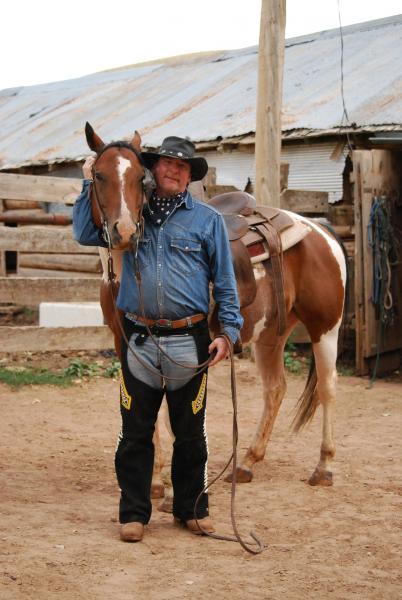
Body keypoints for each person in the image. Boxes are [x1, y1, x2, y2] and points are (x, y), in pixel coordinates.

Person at [73, 135, 243, 543]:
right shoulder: (128, 213)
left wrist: (229, 332)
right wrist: (87, 181)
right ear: (154, 168)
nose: (174, 170)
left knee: (191, 433)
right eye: (167, 163)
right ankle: (134, 514)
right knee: (134, 432)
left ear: (189, 176)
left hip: (190, 338)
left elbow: (224, 281)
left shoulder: (207, 221)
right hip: (140, 338)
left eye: (182, 166)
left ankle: (192, 510)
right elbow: (83, 232)